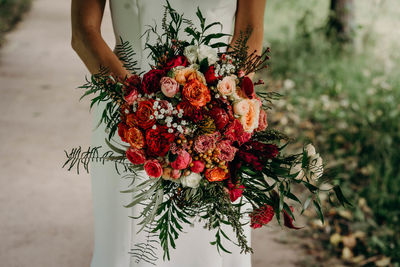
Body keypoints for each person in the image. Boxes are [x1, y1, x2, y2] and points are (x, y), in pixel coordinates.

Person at [71, 0, 266, 266]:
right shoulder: (133, 112)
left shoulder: (222, 111)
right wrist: (137, 105)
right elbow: (83, 31)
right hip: (130, 117)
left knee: (213, 243)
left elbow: (251, 27)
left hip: (220, 116)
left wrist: (223, 101)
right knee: (129, 244)